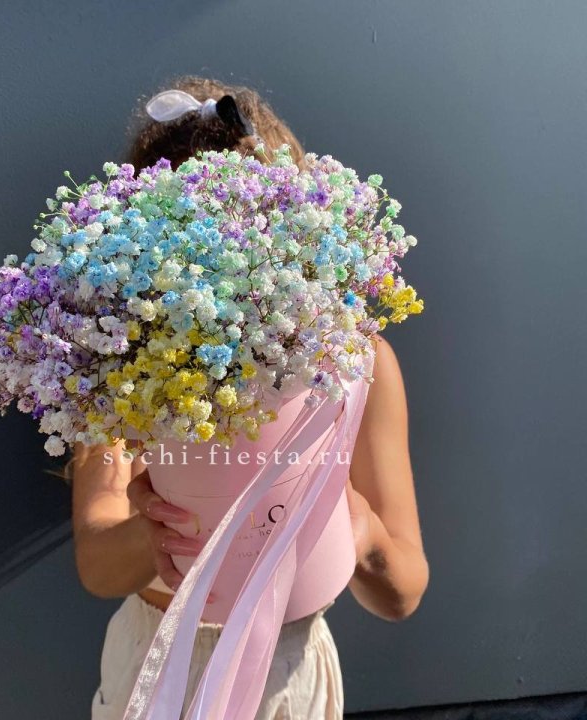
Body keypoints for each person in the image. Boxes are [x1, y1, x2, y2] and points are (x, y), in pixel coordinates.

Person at [62, 75, 430, 719]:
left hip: (288, 675)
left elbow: (403, 590)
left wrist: (357, 527)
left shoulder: (354, 363)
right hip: (159, 664)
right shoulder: (123, 359)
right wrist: (152, 536)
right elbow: (96, 563)